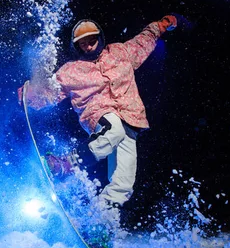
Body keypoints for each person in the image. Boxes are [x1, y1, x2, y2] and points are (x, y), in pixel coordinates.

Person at [18, 14, 178, 213]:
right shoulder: (70, 71)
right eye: (82, 44)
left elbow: (143, 40)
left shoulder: (121, 52)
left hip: (131, 118)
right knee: (114, 129)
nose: (88, 47)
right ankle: (64, 164)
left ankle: (102, 220)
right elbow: (49, 93)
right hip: (99, 114)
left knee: (124, 182)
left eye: (92, 41)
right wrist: (31, 96)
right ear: (76, 46)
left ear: (100, 39)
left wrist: (160, 25)